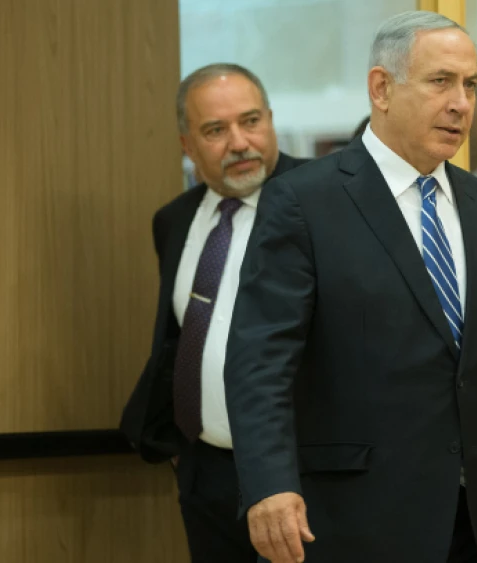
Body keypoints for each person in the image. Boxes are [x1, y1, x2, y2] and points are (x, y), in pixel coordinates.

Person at [224, 12, 477, 563]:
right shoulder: (303, 202)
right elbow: (259, 363)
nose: (461, 103)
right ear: (381, 88)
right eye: (441, 81)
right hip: (356, 522)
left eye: (470, 85)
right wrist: (268, 484)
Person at [119, 63, 308, 563]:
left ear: (270, 119)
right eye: (216, 130)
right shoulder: (174, 221)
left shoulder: (322, 201)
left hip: (302, 478)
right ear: (187, 145)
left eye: (251, 121)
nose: (240, 142)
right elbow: (181, 335)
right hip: (206, 475)